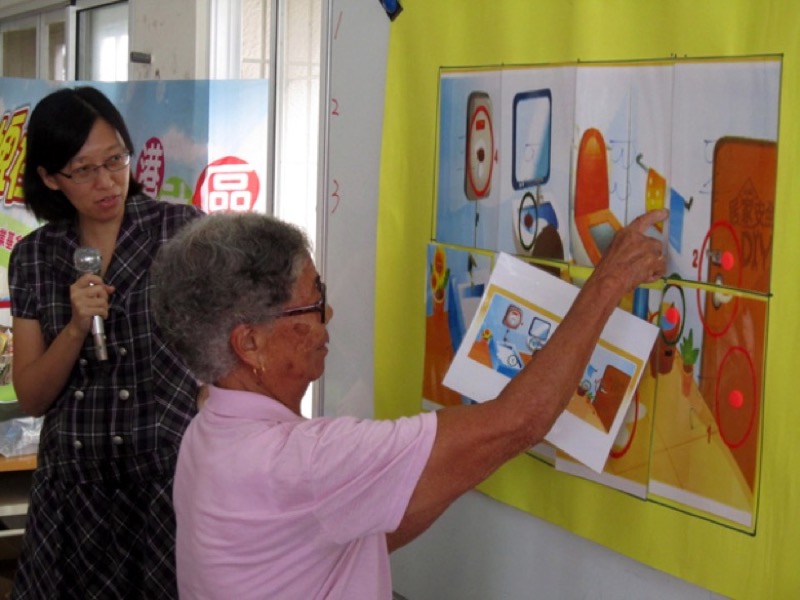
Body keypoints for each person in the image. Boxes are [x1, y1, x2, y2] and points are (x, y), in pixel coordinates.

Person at [150, 209, 667, 599]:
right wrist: (608, 282)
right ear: (250, 343)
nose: (329, 313)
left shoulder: (208, 432)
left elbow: (360, 534)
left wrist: (461, 460)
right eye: (312, 302)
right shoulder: (301, 464)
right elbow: (520, 421)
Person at [8, 86, 204, 599]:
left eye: (115, 159)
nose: (107, 181)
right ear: (50, 177)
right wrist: (76, 327)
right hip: (74, 493)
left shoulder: (181, 233)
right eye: (84, 169)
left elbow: (221, 349)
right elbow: (32, 396)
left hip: (166, 484)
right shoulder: (34, 256)